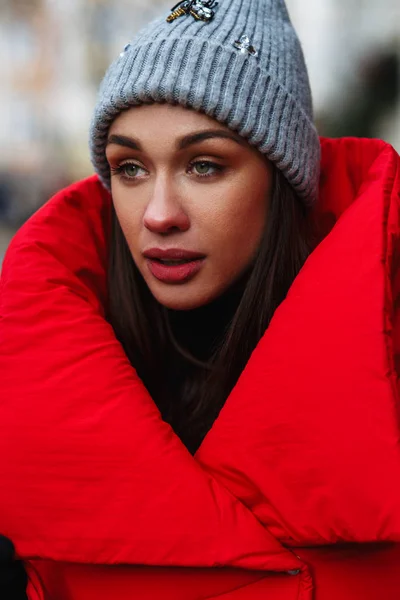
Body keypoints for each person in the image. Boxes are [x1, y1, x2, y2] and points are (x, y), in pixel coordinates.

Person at [1, 0, 400, 599]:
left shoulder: (382, 379)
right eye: (130, 168)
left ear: (282, 179)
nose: (158, 215)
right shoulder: (29, 397)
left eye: (205, 165)